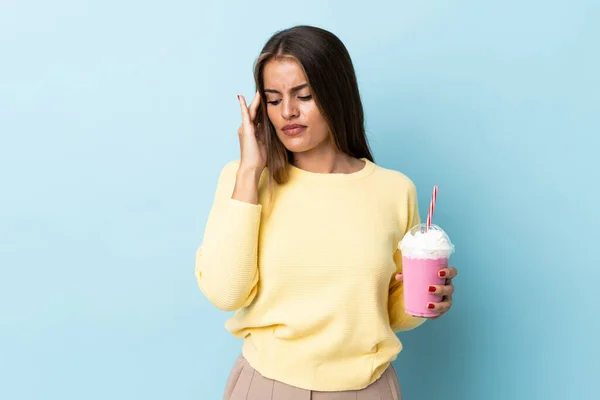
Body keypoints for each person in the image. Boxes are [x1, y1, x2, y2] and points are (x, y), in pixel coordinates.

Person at [194, 25, 458, 400]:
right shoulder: (244, 181)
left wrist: (429, 300)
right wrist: (250, 171)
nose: (287, 112)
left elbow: (387, 314)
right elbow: (226, 293)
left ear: (335, 94)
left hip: (367, 389)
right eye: (273, 99)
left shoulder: (394, 191)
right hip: (267, 386)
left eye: (304, 95)